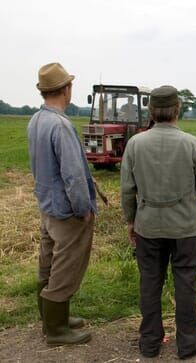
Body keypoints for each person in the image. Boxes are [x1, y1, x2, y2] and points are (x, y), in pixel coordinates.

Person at [121, 85, 196, 360]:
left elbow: (127, 189)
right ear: (178, 110)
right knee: (185, 283)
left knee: (149, 282)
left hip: (147, 225)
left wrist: (131, 221)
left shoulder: (135, 144)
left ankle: (149, 342)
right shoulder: (193, 144)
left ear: (151, 112)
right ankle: (187, 343)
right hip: (185, 227)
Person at [27, 62, 96, 345]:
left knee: (49, 261)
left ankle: (52, 318)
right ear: (66, 90)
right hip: (66, 211)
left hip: (47, 205)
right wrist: (83, 209)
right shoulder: (61, 125)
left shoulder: (36, 120)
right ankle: (56, 331)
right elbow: (73, 174)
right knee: (67, 266)